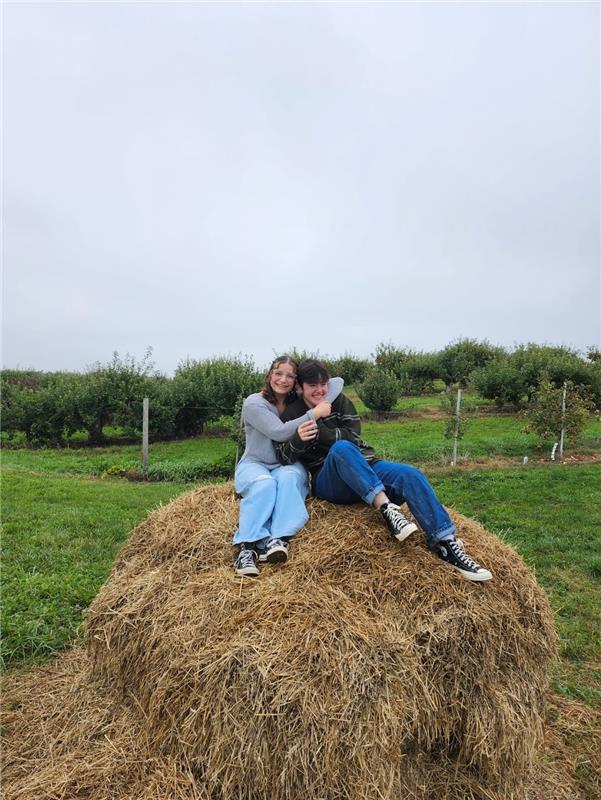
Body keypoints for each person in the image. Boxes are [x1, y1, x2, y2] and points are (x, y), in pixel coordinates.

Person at [276, 359, 492, 582]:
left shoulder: (340, 402)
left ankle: (446, 543)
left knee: (409, 474)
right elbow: (283, 456)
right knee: (341, 449)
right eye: (313, 385)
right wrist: (303, 435)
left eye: (324, 384)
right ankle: (387, 508)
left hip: (365, 466)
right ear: (300, 386)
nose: (320, 390)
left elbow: (354, 436)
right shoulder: (293, 413)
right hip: (329, 480)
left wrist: (318, 430)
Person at [233, 355, 343, 577]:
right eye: (278, 373)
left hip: (286, 462)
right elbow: (279, 432)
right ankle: (247, 547)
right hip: (255, 463)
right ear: (269, 375)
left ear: (296, 381)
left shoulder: (295, 402)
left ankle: (278, 539)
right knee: (264, 485)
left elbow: (338, 382)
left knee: (290, 480)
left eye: (290, 375)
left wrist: (317, 394)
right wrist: (315, 413)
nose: (283, 379)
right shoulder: (254, 403)